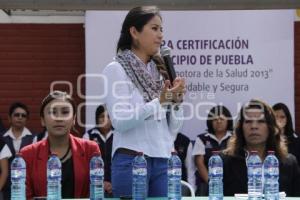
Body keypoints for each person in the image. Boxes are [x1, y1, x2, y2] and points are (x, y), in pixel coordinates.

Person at [102, 6, 185, 197]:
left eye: (161, 30)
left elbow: (172, 130)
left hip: (164, 159)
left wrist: (176, 103)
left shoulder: (160, 71)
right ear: (134, 32)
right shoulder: (116, 69)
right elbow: (120, 122)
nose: (160, 36)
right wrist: (160, 101)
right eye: (154, 29)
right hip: (132, 159)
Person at [20, 91, 100, 199]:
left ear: (74, 119)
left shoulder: (90, 149)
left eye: (65, 112)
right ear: (43, 120)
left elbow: (95, 193)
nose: (58, 118)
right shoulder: (27, 154)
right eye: (52, 112)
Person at [222, 99, 300, 196]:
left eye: (261, 121)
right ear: (240, 127)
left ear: (271, 127)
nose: (254, 126)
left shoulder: (289, 163)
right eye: (248, 121)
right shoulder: (225, 162)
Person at [192, 105, 233, 195]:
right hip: (206, 184)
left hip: (230, 183)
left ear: (228, 121)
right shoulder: (202, 138)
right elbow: (199, 163)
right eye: (215, 119)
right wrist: (212, 183)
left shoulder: (234, 138)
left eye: (222, 119)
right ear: (210, 122)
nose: (218, 122)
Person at [1, 102, 36, 199]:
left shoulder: (34, 138)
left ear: (26, 119)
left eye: (23, 116)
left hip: (26, 189)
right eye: (17, 115)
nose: (20, 117)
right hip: (5, 189)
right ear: (9, 118)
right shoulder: (1, 138)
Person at [83, 104, 113, 197]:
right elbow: (84, 163)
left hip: (115, 184)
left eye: (108, 116)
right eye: (101, 116)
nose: (105, 120)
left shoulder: (119, 135)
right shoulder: (88, 136)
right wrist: (101, 182)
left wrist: (112, 183)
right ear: (96, 119)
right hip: (94, 185)